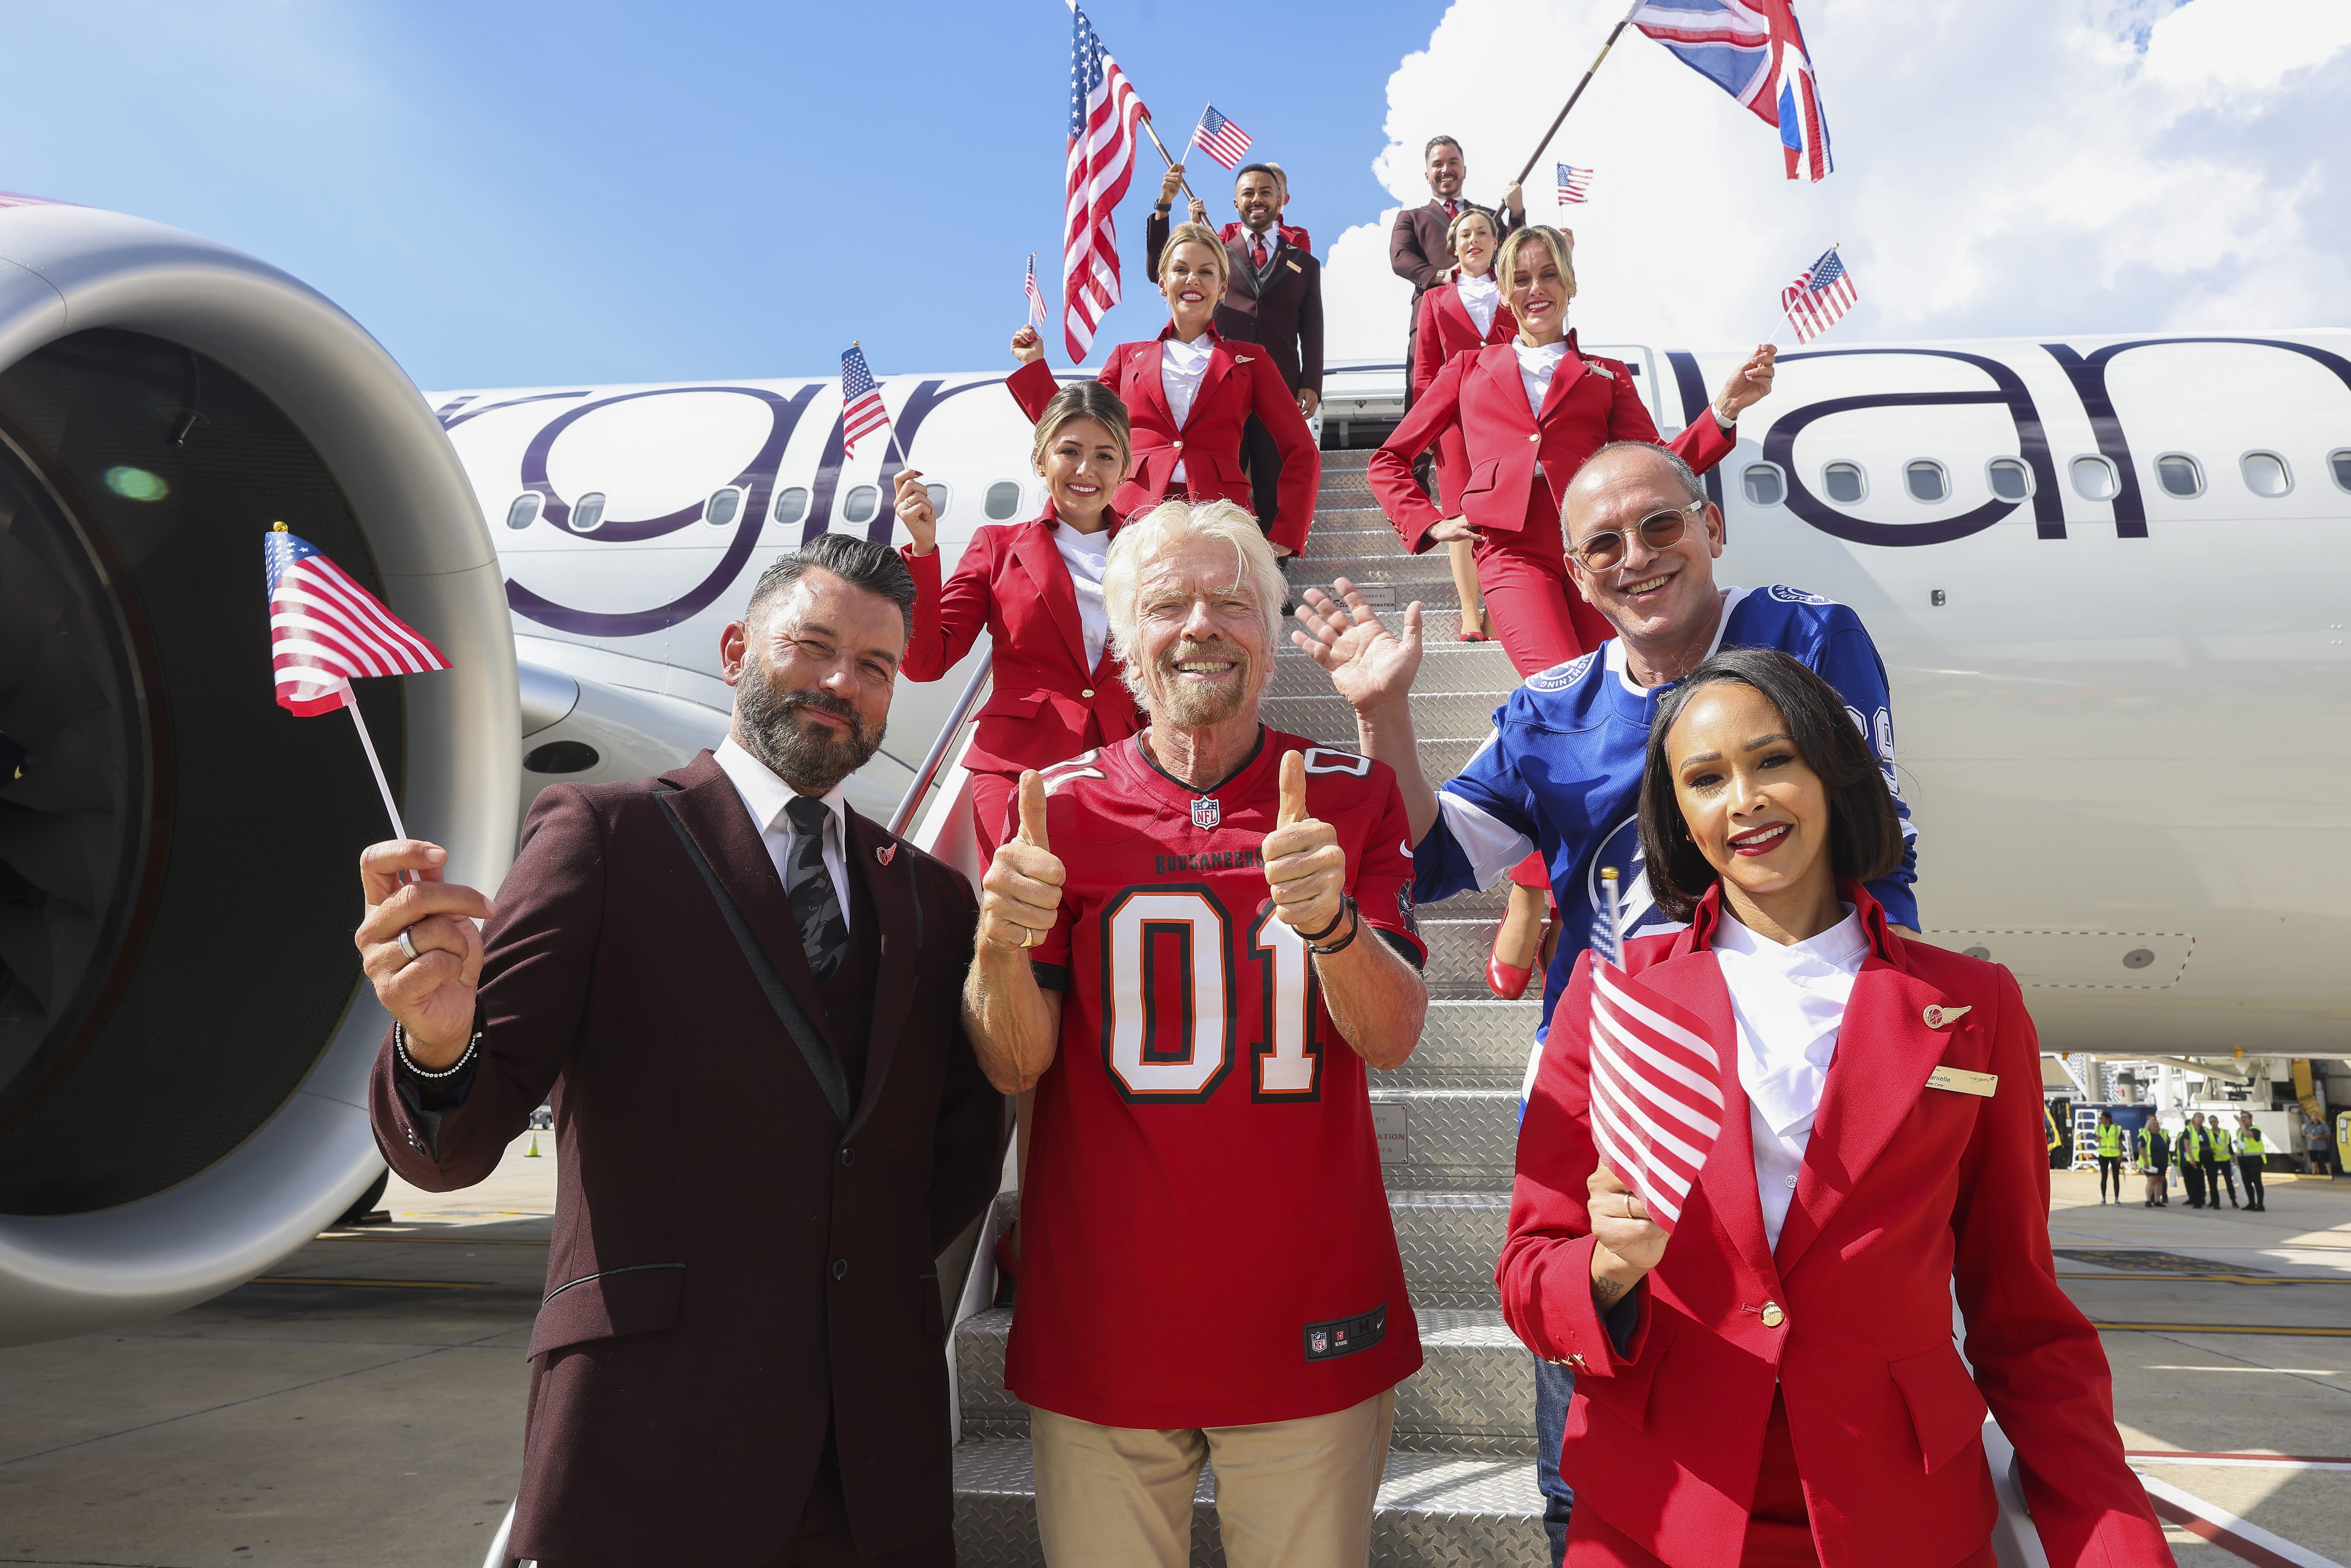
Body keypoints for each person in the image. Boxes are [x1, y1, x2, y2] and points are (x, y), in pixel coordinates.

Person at [1292, 441, 1920, 1566]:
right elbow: (1432, 859)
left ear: (1713, 528)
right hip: (1619, 1101)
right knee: (1588, 1446)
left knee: (1815, 1432)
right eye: (1603, 545)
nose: (1637, 559)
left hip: (1793, 1080)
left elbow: (1880, 860)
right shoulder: (1550, 710)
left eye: (1660, 527)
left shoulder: (1809, 638)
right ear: (1574, 576)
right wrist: (1386, 713)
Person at [355, 535, 1007, 1568]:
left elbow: (957, 1150)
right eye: (815, 646)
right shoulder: (601, 833)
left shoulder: (931, 896)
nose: (842, 682)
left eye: (876, 666)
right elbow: (453, 1147)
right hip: (649, 1433)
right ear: (738, 644)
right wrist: (438, 1041)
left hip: (870, 1458)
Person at [1499, 647, 2173, 1567]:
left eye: (1772, 759)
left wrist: (2115, 1544)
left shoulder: (1975, 1005)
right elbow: (1528, 1274)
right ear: (1679, 814)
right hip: (1656, 1517)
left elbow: (2021, 1314)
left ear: (1830, 767)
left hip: (1900, 1521)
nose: (1743, 798)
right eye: (1705, 777)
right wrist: (1609, 1268)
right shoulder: (1613, 997)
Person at [961, 499, 1430, 1568]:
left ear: (1269, 630)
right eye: (1166, 604)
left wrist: (1331, 925)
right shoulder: (1059, 810)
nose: (1201, 626)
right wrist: (998, 943)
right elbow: (1013, 1059)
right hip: (1105, 1327)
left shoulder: (1351, 793)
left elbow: (1393, 1033)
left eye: (1232, 601)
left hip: (1310, 1314)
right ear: (1125, 640)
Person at [894, 382, 1145, 861]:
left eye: (1104, 456)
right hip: (1017, 766)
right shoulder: (997, 544)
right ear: (1040, 459)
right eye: (1068, 451)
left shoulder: (1153, 552)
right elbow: (925, 661)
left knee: (1104, 927)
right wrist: (924, 551)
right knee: (1021, 924)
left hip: (1125, 764)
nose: (1085, 470)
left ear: (1125, 468)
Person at [1007, 222, 1320, 558]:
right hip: (1134, 522)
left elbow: (1302, 449)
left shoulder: (1250, 360)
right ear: (1162, 283)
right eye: (1180, 269)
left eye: (1206, 271)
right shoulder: (1127, 357)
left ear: (1223, 285)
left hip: (1221, 524)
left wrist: (1287, 533)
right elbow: (1071, 426)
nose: (1192, 279)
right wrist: (1033, 366)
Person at [1147, 163, 1325, 536]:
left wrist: (1311, 381)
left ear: (1282, 200)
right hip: (1222, 381)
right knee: (1221, 479)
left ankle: (1274, 579)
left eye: (1265, 192)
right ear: (1236, 202)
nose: (1256, 200)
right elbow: (1162, 268)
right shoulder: (1215, 253)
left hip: (1281, 382)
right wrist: (1164, 208)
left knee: (1273, 477)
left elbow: (1312, 326)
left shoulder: (1304, 262)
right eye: (1248, 193)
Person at [1409, 205, 1515, 644]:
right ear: (1453, 246)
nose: (1474, 240)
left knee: (1506, 513)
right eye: (1465, 234)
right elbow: (1425, 370)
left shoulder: (1513, 293)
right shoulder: (1435, 299)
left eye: (1483, 234)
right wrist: (1427, 429)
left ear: (1495, 243)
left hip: (1509, 420)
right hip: (1455, 423)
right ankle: (1471, 612)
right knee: (1459, 516)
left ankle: (1500, 604)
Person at [1390, 135, 1524, 414]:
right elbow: (1400, 258)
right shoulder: (1412, 218)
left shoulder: (1488, 216)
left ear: (1464, 169)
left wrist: (1516, 213)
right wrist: (1442, 275)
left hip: (1490, 323)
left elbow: (1514, 255)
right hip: (1437, 320)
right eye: (1438, 164)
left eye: (1453, 162)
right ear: (1427, 174)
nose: (1446, 169)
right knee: (1424, 389)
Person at [2205, 1112, 2240, 1208]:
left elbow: (2229, 1147)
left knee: (2229, 1181)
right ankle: (2215, 1202)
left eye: (2214, 1121)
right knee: (2213, 1182)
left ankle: (2234, 1200)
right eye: (2211, 1122)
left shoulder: (2225, 1132)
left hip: (2225, 1159)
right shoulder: (2207, 1133)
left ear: (2218, 1122)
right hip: (2213, 1160)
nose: (2213, 1123)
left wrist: (2233, 1158)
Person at [2235, 1112, 2269, 1211]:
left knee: (2257, 1182)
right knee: (2246, 1182)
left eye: (2245, 1118)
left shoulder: (2255, 1129)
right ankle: (2252, 1203)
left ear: (2250, 1119)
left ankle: (2260, 1204)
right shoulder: (2239, 1131)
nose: (2243, 1119)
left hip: (2255, 1159)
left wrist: (2240, 1123)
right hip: (2243, 1159)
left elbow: (2248, 1135)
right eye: (2242, 1117)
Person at [2096, 1110, 2125, 1204]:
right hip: (2103, 1154)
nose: (2101, 1120)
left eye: (2102, 1118)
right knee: (2104, 1177)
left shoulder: (2117, 1129)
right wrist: (2097, 1139)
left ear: (2108, 1119)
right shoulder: (2099, 1128)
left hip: (2115, 1155)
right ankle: (2103, 1198)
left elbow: (2121, 1143)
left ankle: (2117, 1198)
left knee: (2116, 1177)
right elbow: (2096, 1139)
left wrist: (2121, 1155)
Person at [2179, 1114, 2207, 1208]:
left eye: (2201, 1117)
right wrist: (2191, 1158)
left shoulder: (2205, 1130)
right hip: (2191, 1159)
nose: (2200, 1119)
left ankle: (2201, 1199)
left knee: (2200, 1181)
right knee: (2192, 1181)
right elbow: (2186, 1145)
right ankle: (2194, 1199)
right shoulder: (2189, 1130)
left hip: (2202, 1158)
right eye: (2198, 1117)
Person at [2143, 1120, 2170, 1207]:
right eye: (2153, 1124)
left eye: (2157, 1124)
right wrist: (2145, 1161)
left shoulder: (2162, 1135)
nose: (2156, 1126)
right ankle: (2148, 1200)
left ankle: (2157, 1201)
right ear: (2149, 1126)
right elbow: (2141, 1149)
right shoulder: (2145, 1135)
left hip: (2162, 1162)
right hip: (2151, 1162)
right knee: (2152, 1181)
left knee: (2160, 1181)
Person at [2306, 1111, 2335, 1177]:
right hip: (2312, 1146)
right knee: (2314, 1161)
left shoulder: (2323, 1125)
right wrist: (2308, 1135)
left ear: (2318, 1116)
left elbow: (2328, 1136)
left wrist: (2319, 1137)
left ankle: (2330, 1174)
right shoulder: (2309, 1126)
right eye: (2313, 1115)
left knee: (2326, 1160)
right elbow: (2306, 1133)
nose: (2314, 1117)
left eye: (2316, 1115)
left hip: (2322, 1147)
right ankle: (2314, 1173)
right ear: (2311, 1117)